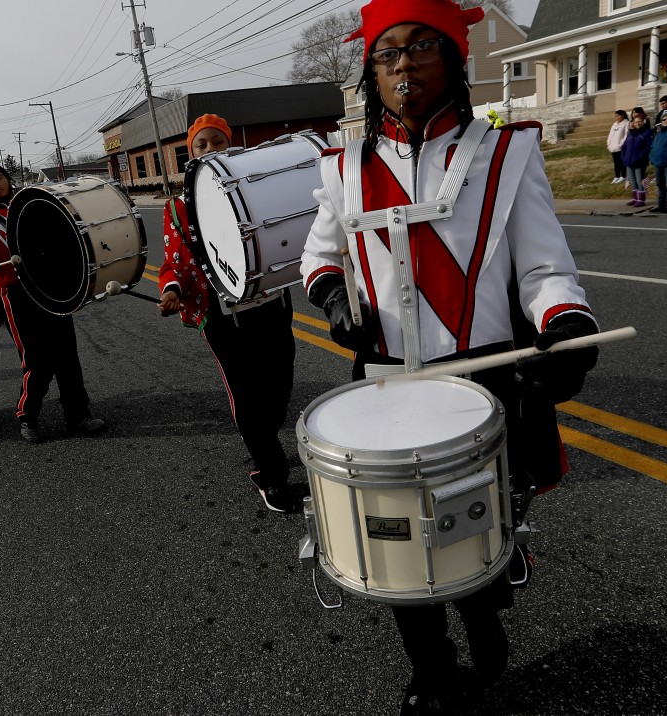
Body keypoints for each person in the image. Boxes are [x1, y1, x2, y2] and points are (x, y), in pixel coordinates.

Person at [301, 0, 600, 713]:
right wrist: (337, 299)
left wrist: (564, 329)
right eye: (387, 52)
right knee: (402, 544)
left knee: (478, 539)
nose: (403, 64)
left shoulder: (508, 152)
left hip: (487, 381)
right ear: (371, 71)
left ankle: (485, 608)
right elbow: (319, 257)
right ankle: (431, 669)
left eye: (422, 46)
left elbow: (544, 272)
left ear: (456, 57)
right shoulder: (344, 168)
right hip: (385, 389)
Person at [157, 113, 303, 514]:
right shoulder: (179, 207)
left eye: (216, 142)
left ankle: (265, 445)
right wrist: (171, 289)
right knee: (248, 397)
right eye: (200, 145)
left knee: (278, 389)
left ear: (230, 145)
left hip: (272, 305)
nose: (209, 150)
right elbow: (175, 261)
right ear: (190, 154)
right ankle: (269, 475)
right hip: (224, 320)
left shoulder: (254, 189)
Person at [0, 163, 105, 443]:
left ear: (8, 181)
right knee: (36, 359)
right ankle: (27, 415)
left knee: (66, 355)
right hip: (15, 295)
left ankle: (78, 415)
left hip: (51, 289)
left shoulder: (34, 206)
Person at [622, 112, 654, 207]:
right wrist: (623, 157)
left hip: (640, 162)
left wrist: (640, 157)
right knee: (632, 180)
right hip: (629, 161)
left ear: (643, 122)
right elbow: (624, 146)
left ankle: (641, 199)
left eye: (639, 121)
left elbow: (647, 148)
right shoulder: (630, 133)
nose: (637, 123)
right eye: (636, 122)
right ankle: (635, 198)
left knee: (640, 180)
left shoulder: (647, 132)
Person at [606, 109, 628, 184]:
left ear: (623, 115)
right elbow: (610, 135)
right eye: (616, 116)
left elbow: (626, 135)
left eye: (618, 115)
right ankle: (617, 176)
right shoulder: (614, 124)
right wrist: (609, 144)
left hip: (620, 147)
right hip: (613, 147)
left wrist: (621, 144)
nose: (617, 117)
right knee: (616, 163)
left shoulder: (626, 123)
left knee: (622, 162)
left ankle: (623, 176)